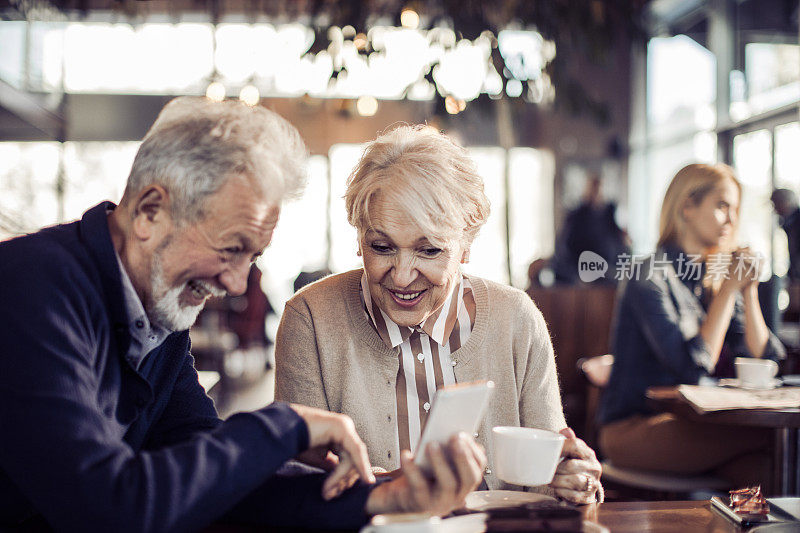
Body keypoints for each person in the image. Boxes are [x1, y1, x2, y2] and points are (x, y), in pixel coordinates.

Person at [0, 98, 486, 532]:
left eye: (251, 257)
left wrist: (384, 496)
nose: (235, 284)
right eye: (231, 248)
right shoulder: (28, 288)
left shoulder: (160, 315)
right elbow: (107, 507)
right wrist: (281, 427)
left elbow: (213, 483)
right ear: (150, 212)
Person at [274, 125, 603, 504]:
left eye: (429, 250)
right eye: (381, 247)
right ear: (359, 237)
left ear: (465, 246)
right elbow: (298, 486)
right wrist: (389, 490)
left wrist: (574, 481)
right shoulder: (310, 319)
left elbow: (550, 471)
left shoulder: (517, 319)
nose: (401, 275)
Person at [598, 163, 786, 487]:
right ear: (687, 206)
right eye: (722, 205)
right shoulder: (647, 274)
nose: (732, 219)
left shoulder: (715, 277)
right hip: (635, 427)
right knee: (774, 439)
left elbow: (765, 359)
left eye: (736, 209)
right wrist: (729, 290)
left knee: (766, 471)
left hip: (697, 424)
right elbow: (691, 367)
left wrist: (748, 289)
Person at [551, 174, 629, 284]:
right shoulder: (576, 217)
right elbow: (566, 249)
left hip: (607, 271)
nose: (598, 194)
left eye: (600, 189)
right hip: (583, 272)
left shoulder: (609, 215)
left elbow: (619, 245)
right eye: (594, 189)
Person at [771, 188, 800, 280]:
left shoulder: (795, 222)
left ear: (786, 202)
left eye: (776, 204)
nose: (775, 210)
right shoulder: (789, 223)